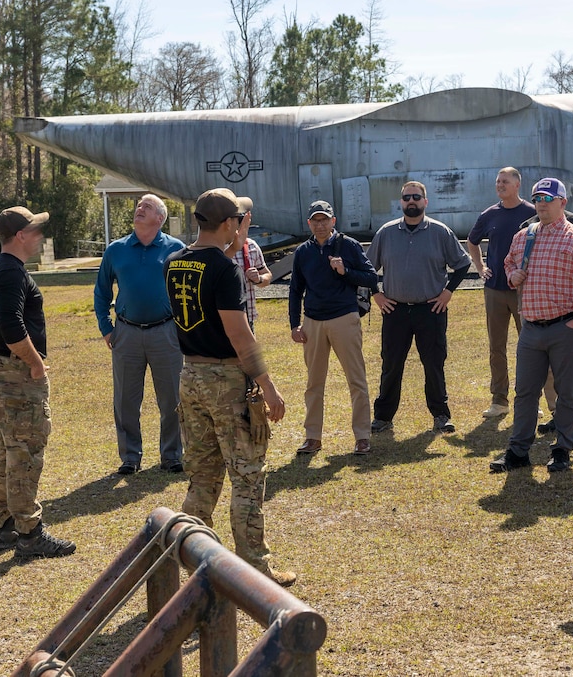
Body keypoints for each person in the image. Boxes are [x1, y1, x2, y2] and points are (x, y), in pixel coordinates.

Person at [164, 188, 294, 587]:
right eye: (239, 220)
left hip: (190, 378)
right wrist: (268, 387)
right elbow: (240, 335)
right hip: (226, 381)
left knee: (202, 478)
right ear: (228, 223)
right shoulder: (224, 269)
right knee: (248, 477)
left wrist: (232, 244)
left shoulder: (174, 262)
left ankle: (190, 563)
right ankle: (255, 571)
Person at [0, 206, 76, 559]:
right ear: (20, 236)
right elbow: (11, 329)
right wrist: (36, 364)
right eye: (35, 230)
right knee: (25, 450)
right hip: (17, 370)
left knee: (7, 446)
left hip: (5, 369)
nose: (39, 236)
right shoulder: (9, 273)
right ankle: (29, 533)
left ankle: (6, 526)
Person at [489, 178, 573, 474]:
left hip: (565, 326)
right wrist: (513, 275)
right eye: (538, 197)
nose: (541, 203)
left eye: (548, 198)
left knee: (567, 390)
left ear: (563, 203)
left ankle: (563, 448)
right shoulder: (524, 236)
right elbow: (509, 262)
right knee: (525, 391)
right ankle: (518, 450)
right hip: (531, 327)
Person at [367, 181, 472, 434]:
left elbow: (462, 264)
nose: (411, 201)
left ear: (426, 202)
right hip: (395, 311)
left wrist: (447, 293)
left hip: (431, 310)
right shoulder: (386, 232)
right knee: (391, 364)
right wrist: (376, 295)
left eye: (416, 197)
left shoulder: (440, 232)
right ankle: (383, 417)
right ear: (400, 202)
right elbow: (367, 268)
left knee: (434, 363)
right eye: (406, 198)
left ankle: (441, 415)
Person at [94, 194, 186, 475]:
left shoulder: (177, 249)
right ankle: (130, 457)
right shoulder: (116, 250)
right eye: (138, 207)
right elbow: (101, 292)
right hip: (126, 333)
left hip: (166, 332)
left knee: (172, 398)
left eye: (147, 207)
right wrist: (106, 328)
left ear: (160, 218)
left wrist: (184, 329)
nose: (139, 209)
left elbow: (188, 292)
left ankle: (172, 455)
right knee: (125, 400)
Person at [289, 200, 378, 456]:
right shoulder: (303, 252)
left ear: (333, 221)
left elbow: (371, 277)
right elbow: (295, 290)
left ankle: (362, 437)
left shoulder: (348, 246)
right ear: (309, 223)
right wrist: (295, 324)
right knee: (314, 383)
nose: (320, 225)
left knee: (356, 380)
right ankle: (312, 437)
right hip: (313, 321)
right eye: (315, 221)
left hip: (344, 318)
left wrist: (344, 270)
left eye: (324, 220)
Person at [467, 167, 536, 418]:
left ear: (518, 184)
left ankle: (529, 400)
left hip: (523, 290)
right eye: (498, 181)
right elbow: (472, 242)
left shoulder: (532, 213)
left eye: (505, 181)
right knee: (497, 347)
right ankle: (499, 400)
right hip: (494, 289)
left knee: (529, 347)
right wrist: (481, 266)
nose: (500, 185)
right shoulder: (489, 215)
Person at [229, 208, 272, 328]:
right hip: (225, 319)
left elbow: (267, 275)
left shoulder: (251, 246)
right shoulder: (219, 247)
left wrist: (259, 279)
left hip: (248, 318)